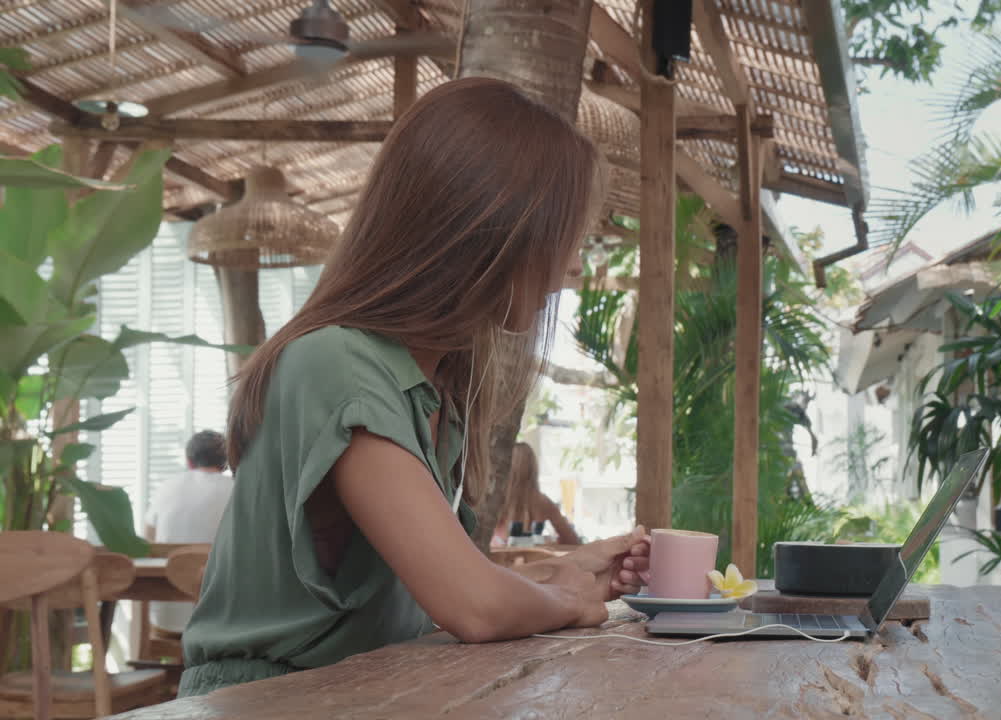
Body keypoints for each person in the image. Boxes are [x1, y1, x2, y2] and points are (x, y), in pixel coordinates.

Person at [179, 78, 650, 697]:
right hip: (261, 703)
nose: (571, 270)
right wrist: (564, 598)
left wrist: (555, 575)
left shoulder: (430, 384)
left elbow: (440, 592)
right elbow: (473, 607)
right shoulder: (336, 363)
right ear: (490, 229)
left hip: (357, 694)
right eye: (564, 238)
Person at [144, 430, 234, 633]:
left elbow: (149, 543)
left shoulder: (166, 488)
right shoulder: (237, 489)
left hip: (165, 618)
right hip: (221, 622)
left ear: (189, 462)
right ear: (225, 463)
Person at [492, 442, 581, 547]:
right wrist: (548, 543)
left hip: (494, 559)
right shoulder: (542, 502)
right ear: (533, 468)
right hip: (531, 559)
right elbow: (573, 541)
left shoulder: (493, 500)